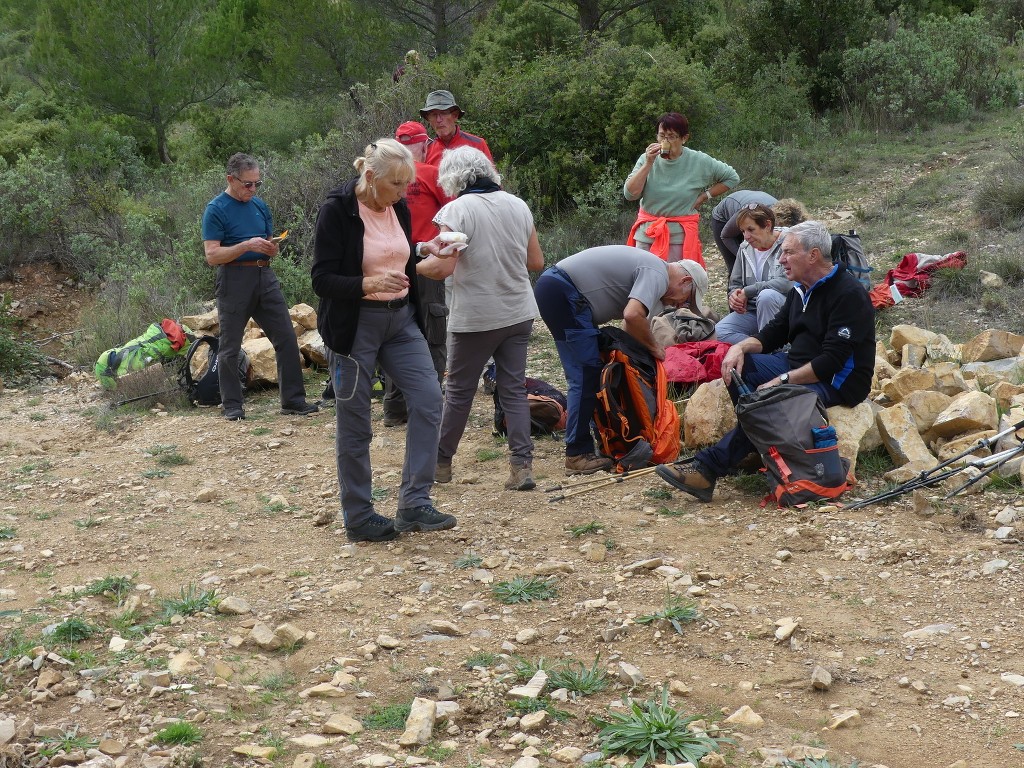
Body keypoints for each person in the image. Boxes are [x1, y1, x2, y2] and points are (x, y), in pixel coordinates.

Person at [656, 221, 876, 501]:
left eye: (787, 252)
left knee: (770, 400)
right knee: (738, 365)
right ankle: (758, 437)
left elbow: (831, 362)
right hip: (798, 366)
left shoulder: (848, 294)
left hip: (837, 382)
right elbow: (772, 334)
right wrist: (739, 348)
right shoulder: (800, 289)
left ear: (813, 255)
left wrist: (781, 381)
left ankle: (708, 467)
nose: (781, 259)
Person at [311, 138, 457, 543]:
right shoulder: (336, 210)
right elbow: (321, 280)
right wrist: (368, 283)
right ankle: (359, 516)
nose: (401, 194)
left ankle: (414, 503)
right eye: (395, 185)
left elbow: (398, 254)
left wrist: (425, 247)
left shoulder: (400, 207)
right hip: (354, 327)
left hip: (400, 321)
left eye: (405, 186)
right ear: (370, 177)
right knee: (356, 423)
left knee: (429, 400)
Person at [416, 147, 544, 491]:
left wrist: (412, 263)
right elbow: (535, 261)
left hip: (476, 314)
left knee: (458, 392)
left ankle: (440, 463)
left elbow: (443, 266)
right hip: (518, 310)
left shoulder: (456, 210)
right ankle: (522, 466)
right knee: (513, 389)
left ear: (452, 177)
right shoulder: (518, 204)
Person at [534, 246, 709, 475]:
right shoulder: (657, 272)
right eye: (687, 299)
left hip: (557, 289)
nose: (680, 306)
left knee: (588, 372)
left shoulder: (655, 276)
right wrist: (655, 348)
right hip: (564, 290)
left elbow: (629, 327)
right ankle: (577, 453)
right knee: (586, 374)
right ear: (685, 281)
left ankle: (595, 442)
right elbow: (632, 315)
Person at [201, 153, 318, 421]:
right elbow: (212, 255)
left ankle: (293, 401)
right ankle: (232, 405)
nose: (252, 189)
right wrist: (246, 245)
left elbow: (268, 244)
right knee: (230, 345)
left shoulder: (260, 206)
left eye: (257, 184)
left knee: (286, 337)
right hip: (233, 279)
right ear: (231, 179)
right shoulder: (216, 209)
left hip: (264, 276)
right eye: (248, 184)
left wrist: (270, 247)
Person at [381, 121, 452, 428]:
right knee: (433, 332)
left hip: (390, 264)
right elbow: (454, 210)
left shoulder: (382, 181)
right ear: (425, 147)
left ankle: (395, 409)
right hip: (425, 263)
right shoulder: (429, 173)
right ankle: (430, 407)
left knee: (397, 334)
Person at [624, 112, 739, 267]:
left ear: (684, 138)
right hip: (646, 236)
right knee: (645, 283)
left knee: (675, 286)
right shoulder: (646, 159)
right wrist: (648, 164)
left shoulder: (698, 161)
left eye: (671, 136)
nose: (665, 141)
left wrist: (704, 196)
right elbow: (630, 194)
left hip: (679, 239)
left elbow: (732, 177)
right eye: (661, 136)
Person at [714, 203, 791, 345]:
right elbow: (735, 282)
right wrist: (734, 296)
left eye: (751, 229)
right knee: (719, 333)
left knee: (767, 296)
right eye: (743, 231)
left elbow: (788, 283)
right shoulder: (745, 248)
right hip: (753, 311)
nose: (746, 236)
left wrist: (749, 291)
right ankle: (764, 347)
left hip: (784, 310)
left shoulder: (789, 244)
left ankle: (772, 349)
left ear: (767, 225)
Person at [710, 190, 778, 276]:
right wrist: (745, 258)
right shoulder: (748, 213)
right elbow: (726, 236)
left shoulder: (784, 224)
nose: (746, 237)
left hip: (754, 208)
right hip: (723, 219)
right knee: (738, 268)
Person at [420, 90, 493, 166]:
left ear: (455, 115)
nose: (438, 119)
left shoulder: (477, 144)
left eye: (444, 113)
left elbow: (490, 176)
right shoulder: (426, 151)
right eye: (433, 115)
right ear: (428, 119)